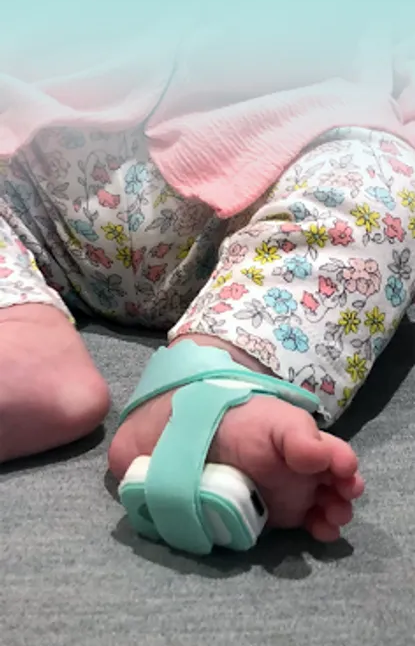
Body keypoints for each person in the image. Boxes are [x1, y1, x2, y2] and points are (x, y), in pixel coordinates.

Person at [3, 113, 415, 543]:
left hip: (262, 158)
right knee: (383, 177)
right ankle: (22, 334)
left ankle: (218, 377)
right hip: (49, 162)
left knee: (380, 176)